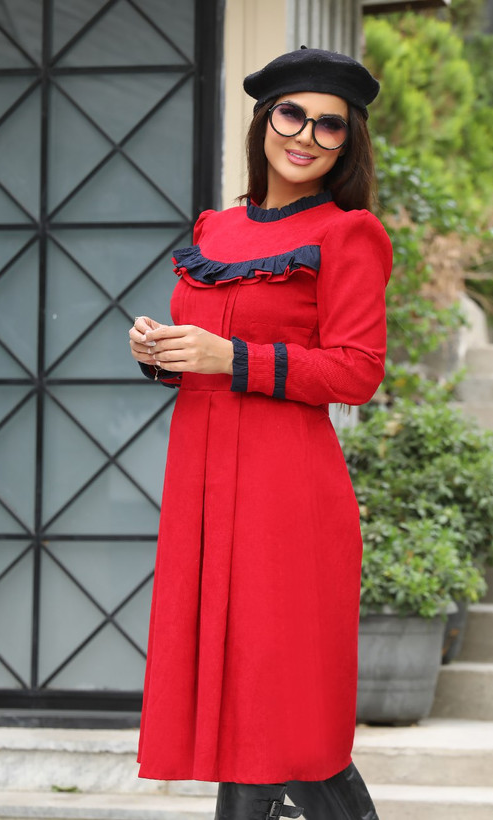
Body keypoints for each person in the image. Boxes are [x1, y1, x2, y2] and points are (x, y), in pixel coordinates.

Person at [129, 46, 391, 820]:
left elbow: (356, 372)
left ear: (347, 142)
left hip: (285, 493)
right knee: (242, 701)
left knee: (278, 703)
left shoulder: (347, 234)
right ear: (263, 121)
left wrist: (232, 357)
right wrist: (162, 354)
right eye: (291, 115)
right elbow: (205, 354)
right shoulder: (215, 228)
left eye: (328, 125)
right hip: (202, 483)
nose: (305, 135)